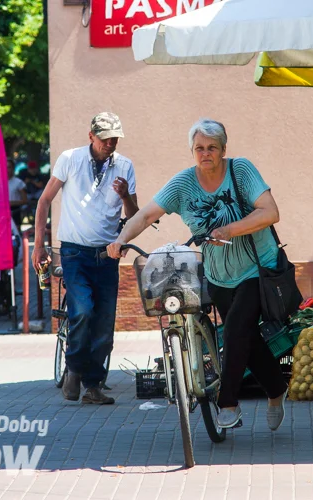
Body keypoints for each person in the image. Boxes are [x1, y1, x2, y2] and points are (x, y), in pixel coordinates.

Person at [106, 118, 289, 430]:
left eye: (212, 148)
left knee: (233, 332)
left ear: (223, 150)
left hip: (256, 270)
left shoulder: (240, 171)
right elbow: (148, 214)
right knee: (247, 338)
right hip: (218, 276)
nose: (206, 153)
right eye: (199, 148)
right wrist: (122, 240)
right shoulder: (183, 184)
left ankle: (227, 403)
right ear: (192, 151)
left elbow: (270, 212)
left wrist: (228, 229)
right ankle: (276, 389)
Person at [32, 112, 139, 404]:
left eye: (115, 137)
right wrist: (39, 245)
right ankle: (75, 369)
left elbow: (134, 216)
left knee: (104, 326)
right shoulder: (70, 159)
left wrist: (126, 195)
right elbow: (44, 201)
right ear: (91, 136)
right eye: (105, 138)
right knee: (83, 312)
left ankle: (93, 387)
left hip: (107, 255)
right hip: (74, 252)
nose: (110, 143)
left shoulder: (125, 165)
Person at [7, 159, 28, 229]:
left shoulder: (19, 183)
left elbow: (25, 200)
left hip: (15, 211)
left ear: (13, 168)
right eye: (5, 167)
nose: (7, 170)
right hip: (2, 211)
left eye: (9, 167)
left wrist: (11, 203)